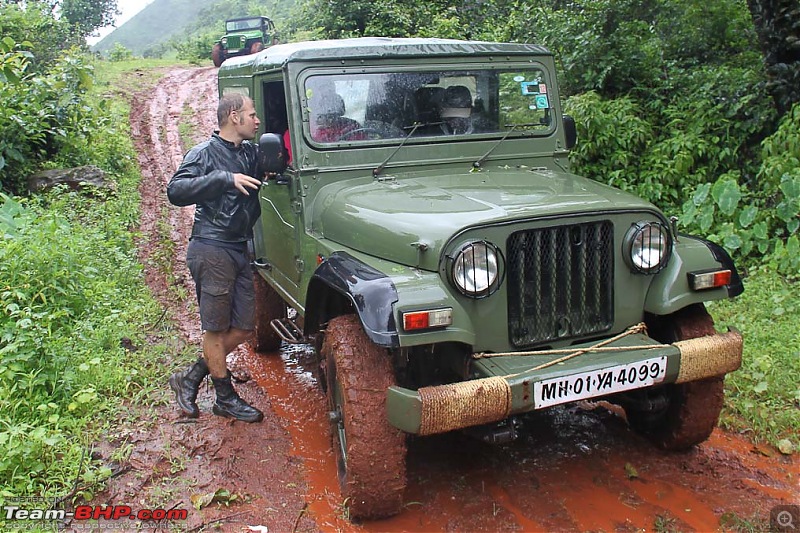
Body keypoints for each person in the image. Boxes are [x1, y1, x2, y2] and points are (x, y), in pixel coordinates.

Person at [166, 93, 265, 423]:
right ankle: (225, 398)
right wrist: (224, 179)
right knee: (215, 328)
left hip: (239, 247)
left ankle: (191, 376)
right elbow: (175, 191)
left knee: (244, 328)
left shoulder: (250, 152)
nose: (257, 120)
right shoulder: (204, 153)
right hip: (211, 248)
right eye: (252, 114)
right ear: (234, 117)